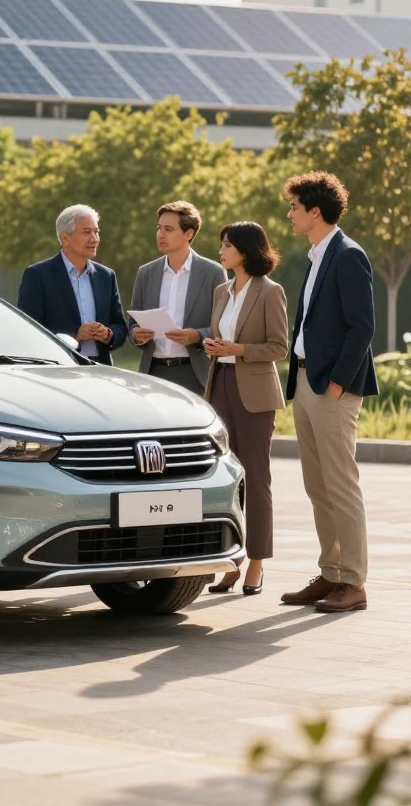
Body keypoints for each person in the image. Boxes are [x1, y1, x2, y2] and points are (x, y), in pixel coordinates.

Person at [280, 172, 377, 614]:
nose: (290, 215)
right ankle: (332, 573)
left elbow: (363, 327)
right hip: (305, 382)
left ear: (314, 211)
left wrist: (338, 383)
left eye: (294, 207)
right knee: (317, 486)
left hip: (332, 389)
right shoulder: (317, 255)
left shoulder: (348, 255)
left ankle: (353, 582)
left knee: (341, 486)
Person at [202, 222, 288, 596]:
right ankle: (231, 561)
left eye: (227, 245)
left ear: (246, 250)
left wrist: (238, 350)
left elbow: (278, 347)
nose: (221, 251)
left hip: (254, 393)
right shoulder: (222, 290)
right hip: (218, 386)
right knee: (225, 479)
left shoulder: (270, 292)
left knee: (256, 479)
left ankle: (256, 562)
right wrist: (214, 346)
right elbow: (222, 336)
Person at [128, 200, 226, 394]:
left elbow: (222, 325)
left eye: (168, 229)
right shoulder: (145, 273)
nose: (160, 234)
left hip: (195, 372)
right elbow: (132, 323)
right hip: (152, 373)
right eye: (159, 228)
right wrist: (136, 335)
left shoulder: (213, 272)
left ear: (188, 234)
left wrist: (197, 336)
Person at [17, 204, 127, 364]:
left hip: (101, 369)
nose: (94, 238)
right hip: (58, 367)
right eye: (86, 232)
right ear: (65, 238)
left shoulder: (106, 276)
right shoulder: (38, 275)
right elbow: (28, 329)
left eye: (96, 232)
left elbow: (120, 327)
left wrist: (109, 334)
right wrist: (75, 335)